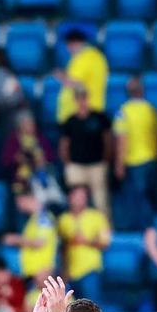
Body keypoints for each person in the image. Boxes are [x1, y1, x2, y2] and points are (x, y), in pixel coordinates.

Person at [113, 75, 157, 233]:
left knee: (137, 199)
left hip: (134, 161)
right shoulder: (152, 110)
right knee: (150, 197)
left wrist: (119, 164)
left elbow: (122, 140)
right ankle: (151, 229)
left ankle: (141, 231)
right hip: (152, 160)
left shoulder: (124, 112)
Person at [59, 88, 112, 219]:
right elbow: (64, 144)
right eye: (79, 98)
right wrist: (68, 163)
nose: (82, 101)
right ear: (75, 100)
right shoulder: (70, 121)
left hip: (97, 165)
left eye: (84, 97)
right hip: (76, 166)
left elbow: (108, 140)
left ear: (87, 98)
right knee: (76, 202)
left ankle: (104, 228)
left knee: (101, 202)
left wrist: (106, 160)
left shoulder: (99, 118)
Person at [59, 184, 111, 305]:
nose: (80, 199)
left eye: (83, 196)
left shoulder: (97, 216)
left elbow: (105, 243)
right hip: (70, 272)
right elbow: (62, 247)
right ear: (69, 198)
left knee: (90, 307)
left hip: (90, 270)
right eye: (77, 196)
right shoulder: (63, 220)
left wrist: (86, 241)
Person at [5, 188, 58, 289]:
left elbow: (39, 243)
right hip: (33, 274)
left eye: (18, 201)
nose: (17, 205)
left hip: (41, 272)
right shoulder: (33, 219)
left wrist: (15, 240)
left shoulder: (44, 218)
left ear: (26, 199)